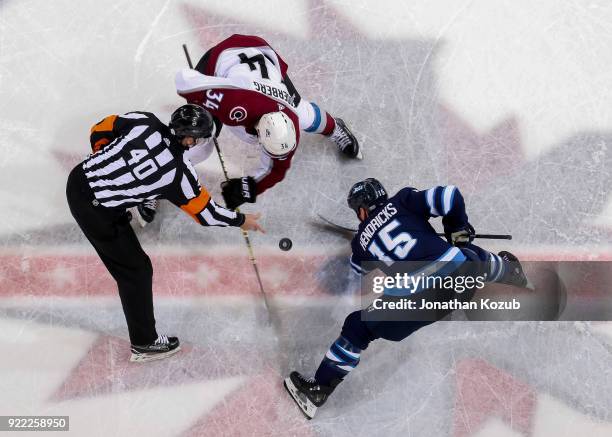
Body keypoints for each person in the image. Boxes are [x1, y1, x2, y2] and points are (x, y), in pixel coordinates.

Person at [284, 178, 529, 419]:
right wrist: (457, 229)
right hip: (461, 287)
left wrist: (367, 249)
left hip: (416, 306)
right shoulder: (403, 201)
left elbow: (361, 282)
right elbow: (450, 196)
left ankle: (318, 391)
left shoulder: (360, 245)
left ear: (361, 210)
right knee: (466, 254)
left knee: (357, 328)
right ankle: (511, 271)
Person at [66, 104, 264, 362]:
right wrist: (241, 220)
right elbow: (207, 215)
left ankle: (124, 202)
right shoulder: (179, 174)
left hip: (78, 179)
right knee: (136, 272)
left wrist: (111, 167)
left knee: (126, 207)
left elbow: (101, 128)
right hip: (96, 212)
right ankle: (144, 342)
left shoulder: (143, 122)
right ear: (191, 139)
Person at [175, 34, 361, 211]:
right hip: (226, 56)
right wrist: (196, 114)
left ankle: (335, 127)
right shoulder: (231, 102)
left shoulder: (291, 123)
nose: (270, 155)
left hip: (265, 56)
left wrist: (250, 188)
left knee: (303, 114)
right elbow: (184, 80)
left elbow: (276, 169)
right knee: (202, 142)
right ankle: (163, 172)